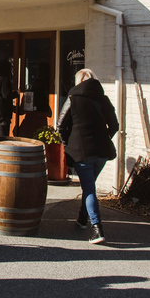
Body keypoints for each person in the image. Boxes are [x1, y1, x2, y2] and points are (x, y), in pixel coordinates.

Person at [56, 68, 119, 244]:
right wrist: (102, 138)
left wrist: (67, 145)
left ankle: (96, 228)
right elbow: (114, 125)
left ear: (78, 81)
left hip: (80, 152)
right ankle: (82, 218)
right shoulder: (103, 99)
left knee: (89, 189)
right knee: (89, 186)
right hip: (101, 152)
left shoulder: (72, 99)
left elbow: (60, 125)